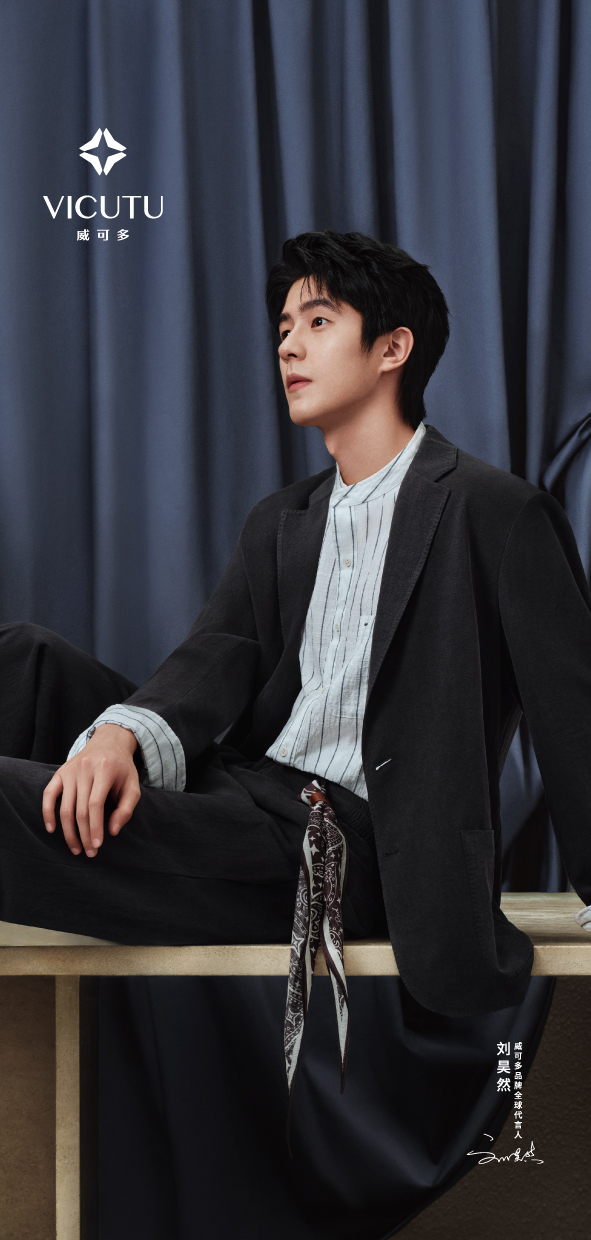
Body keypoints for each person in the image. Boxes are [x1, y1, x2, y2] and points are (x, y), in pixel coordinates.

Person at [1, 231, 590, 1072]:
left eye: (317, 321)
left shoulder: (493, 512)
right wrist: (119, 734)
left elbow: (573, 715)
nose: (286, 345)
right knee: (22, 658)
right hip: (246, 790)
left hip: (342, 849)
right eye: (283, 327)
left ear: (392, 348)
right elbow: (216, 654)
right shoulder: (282, 520)